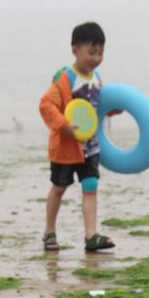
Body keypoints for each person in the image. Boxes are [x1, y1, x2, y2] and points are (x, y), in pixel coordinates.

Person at [39, 21, 115, 253]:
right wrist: (64, 125)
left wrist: (114, 110)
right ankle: (49, 231)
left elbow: (97, 107)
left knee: (91, 185)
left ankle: (91, 235)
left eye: (100, 52)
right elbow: (47, 105)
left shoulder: (96, 78)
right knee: (59, 187)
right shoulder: (65, 78)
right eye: (91, 52)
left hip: (90, 146)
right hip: (66, 147)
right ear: (75, 50)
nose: (96, 58)